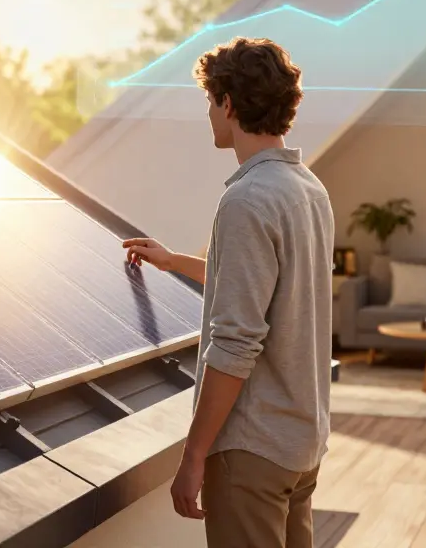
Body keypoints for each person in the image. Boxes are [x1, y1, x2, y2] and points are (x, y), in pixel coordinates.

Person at [122, 37, 333, 548]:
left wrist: (193, 456)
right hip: (301, 444)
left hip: (251, 451)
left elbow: (237, 341)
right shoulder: (308, 189)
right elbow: (269, 289)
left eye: (210, 101)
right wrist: (174, 261)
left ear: (229, 103)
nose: (209, 114)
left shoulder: (247, 200)